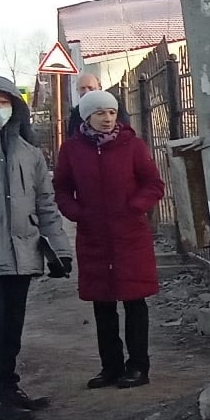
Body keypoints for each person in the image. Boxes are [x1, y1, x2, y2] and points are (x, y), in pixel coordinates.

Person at [0, 74, 73, 420]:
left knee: (11, 329)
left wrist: (59, 250)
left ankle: (8, 389)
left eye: (3, 102)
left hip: (22, 256)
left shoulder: (29, 151)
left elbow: (46, 206)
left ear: (15, 106)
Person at [52, 89, 165, 389]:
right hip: (94, 238)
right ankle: (110, 367)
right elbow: (61, 187)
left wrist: (134, 206)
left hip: (130, 236)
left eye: (112, 112)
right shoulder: (72, 150)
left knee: (134, 302)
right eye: (100, 113)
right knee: (102, 305)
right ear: (87, 116)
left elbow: (154, 184)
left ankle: (138, 367)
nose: (107, 118)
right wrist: (76, 212)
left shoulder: (133, 146)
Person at [64, 72, 130, 136]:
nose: (87, 92)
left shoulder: (114, 106)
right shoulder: (75, 114)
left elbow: (125, 130)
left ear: (100, 88)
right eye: (82, 88)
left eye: (90, 88)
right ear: (77, 90)